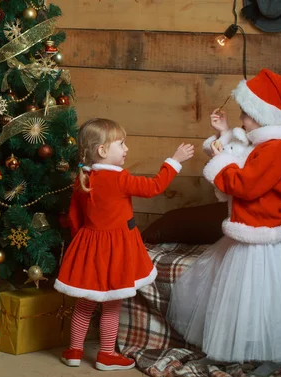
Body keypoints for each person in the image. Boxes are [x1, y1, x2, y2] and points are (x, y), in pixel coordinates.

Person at [168, 68, 281, 373]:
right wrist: (224, 135)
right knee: (232, 299)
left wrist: (220, 161)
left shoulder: (275, 149)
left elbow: (245, 184)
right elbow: (241, 154)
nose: (242, 119)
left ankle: (269, 354)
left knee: (262, 302)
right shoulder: (264, 143)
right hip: (248, 228)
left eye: (245, 114)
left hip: (261, 232)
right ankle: (227, 349)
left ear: (263, 115)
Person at [54, 118, 194, 371]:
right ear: (103, 151)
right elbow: (154, 187)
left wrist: (82, 244)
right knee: (112, 303)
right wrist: (175, 160)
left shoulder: (84, 178)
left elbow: (75, 218)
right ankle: (107, 354)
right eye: (121, 143)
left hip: (88, 246)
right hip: (115, 250)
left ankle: (74, 351)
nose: (127, 148)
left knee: (84, 303)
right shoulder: (120, 179)